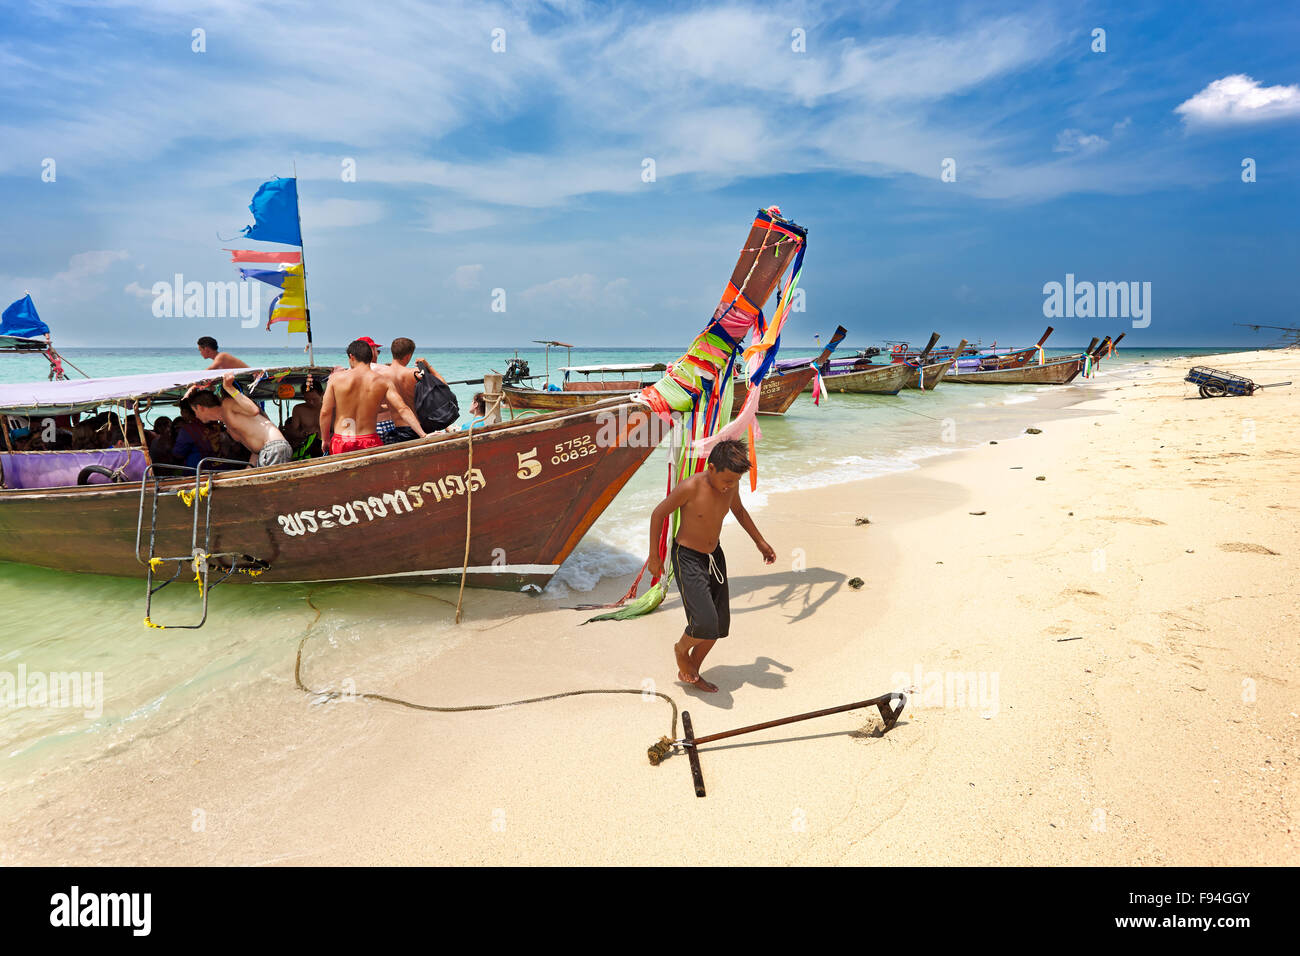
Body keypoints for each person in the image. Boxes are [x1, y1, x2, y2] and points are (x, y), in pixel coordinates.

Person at [646, 438, 775, 693]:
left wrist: (760, 542)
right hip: (688, 558)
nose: (730, 487)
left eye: (735, 481)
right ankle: (681, 649)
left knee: (717, 627)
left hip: (714, 557)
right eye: (727, 480)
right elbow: (658, 514)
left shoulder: (730, 486)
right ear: (712, 467)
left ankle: (692, 669)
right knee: (704, 621)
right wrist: (654, 557)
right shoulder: (691, 487)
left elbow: (739, 511)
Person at [319, 339, 425, 455]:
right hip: (369, 440)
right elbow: (402, 409)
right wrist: (423, 435)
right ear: (371, 356)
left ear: (351, 356)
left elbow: (325, 412)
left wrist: (325, 439)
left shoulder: (336, 379)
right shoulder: (383, 382)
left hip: (342, 440)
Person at [189, 372, 293, 467]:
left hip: (273, 448)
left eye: (194, 412)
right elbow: (255, 447)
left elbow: (254, 410)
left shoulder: (227, 403)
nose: (195, 417)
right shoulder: (227, 420)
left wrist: (229, 388)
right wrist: (249, 468)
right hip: (267, 451)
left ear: (200, 407)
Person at [374, 337, 443, 444]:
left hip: (398, 429)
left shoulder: (380, 376)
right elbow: (443, 385)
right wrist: (427, 366)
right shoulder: (415, 373)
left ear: (393, 352)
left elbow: (377, 407)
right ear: (409, 355)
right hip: (418, 427)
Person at [172, 399, 214, 469]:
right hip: (221, 467)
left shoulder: (187, 430)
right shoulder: (214, 424)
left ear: (184, 412)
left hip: (199, 471)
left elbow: (178, 454)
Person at [283, 387, 324, 458]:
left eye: (314, 399)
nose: (311, 402)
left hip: (326, 447)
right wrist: (302, 433)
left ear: (322, 395)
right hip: (306, 449)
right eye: (307, 399)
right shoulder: (298, 409)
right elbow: (292, 432)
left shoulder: (331, 409)